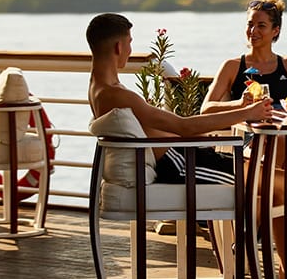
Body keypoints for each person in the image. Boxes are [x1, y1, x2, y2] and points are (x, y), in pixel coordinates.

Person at [86, 12, 273, 185]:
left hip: (184, 155)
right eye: (129, 43)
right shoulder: (116, 95)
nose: (130, 50)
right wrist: (247, 112)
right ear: (119, 47)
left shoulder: (99, 89)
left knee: (274, 177)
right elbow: (184, 126)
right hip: (181, 164)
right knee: (274, 184)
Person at [200, 0, 287, 278]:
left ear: (275, 31)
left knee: (284, 151)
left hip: (285, 143)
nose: (253, 31)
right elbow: (206, 109)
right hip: (247, 145)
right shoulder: (233, 66)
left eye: (261, 25)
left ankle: (248, 238)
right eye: (250, 24)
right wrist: (241, 104)